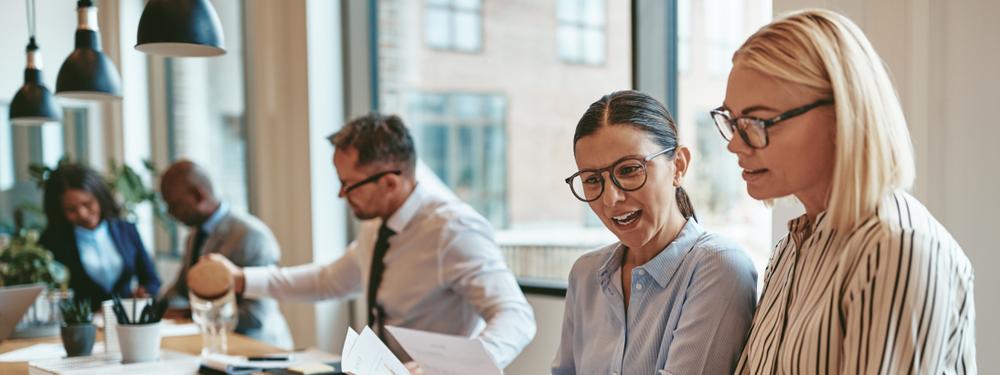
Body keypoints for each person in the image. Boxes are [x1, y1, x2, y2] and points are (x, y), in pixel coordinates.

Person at [713, 9, 976, 374]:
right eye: (731, 122)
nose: (735, 145)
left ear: (842, 114)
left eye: (757, 122)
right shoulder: (793, 247)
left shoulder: (895, 248)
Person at [199, 113, 535, 369]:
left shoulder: (453, 230)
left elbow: (515, 316)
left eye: (349, 185)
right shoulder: (378, 226)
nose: (341, 194)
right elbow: (328, 280)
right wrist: (242, 279)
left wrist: (453, 369)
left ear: (390, 183)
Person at [552, 90, 758, 375]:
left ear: (679, 166)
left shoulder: (718, 266)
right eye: (592, 180)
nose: (610, 199)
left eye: (629, 170)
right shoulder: (585, 274)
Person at [159, 160, 293, 349]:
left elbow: (255, 317)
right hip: (215, 346)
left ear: (198, 195)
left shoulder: (251, 235)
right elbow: (182, 288)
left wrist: (190, 313)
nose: (170, 213)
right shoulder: (194, 236)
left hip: (257, 348)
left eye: (174, 205)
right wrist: (150, 309)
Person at [39, 163, 160, 308]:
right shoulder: (52, 242)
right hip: (81, 327)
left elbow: (152, 280)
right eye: (71, 209)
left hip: (126, 320)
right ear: (60, 211)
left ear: (99, 197)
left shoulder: (126, 230)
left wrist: (144, 292)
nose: (82, 214)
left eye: (87, 204)